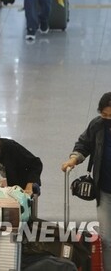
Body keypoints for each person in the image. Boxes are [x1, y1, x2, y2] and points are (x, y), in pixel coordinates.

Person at [61, 92, 111, 271]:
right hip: (104, 192)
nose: (108, 119)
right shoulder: (97, 126)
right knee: (107, 239)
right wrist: (73, 159)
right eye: (104, 115)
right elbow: (83, 144)